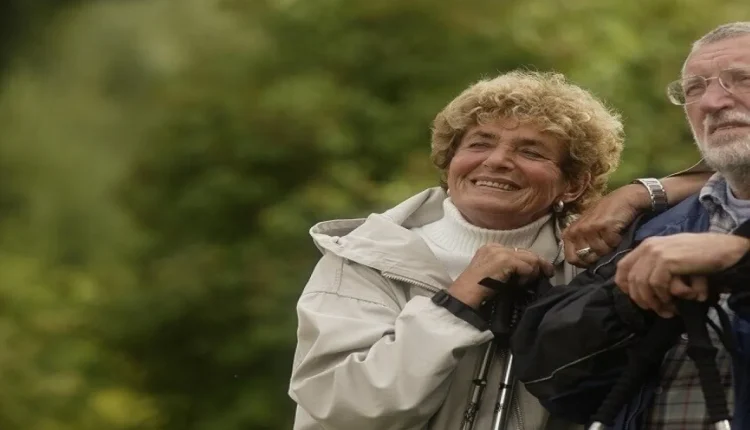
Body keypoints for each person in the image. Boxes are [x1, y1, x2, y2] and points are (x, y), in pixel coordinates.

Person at [287, 70, 708, 430]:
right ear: (450, 163)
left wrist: (641, 192)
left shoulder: (594, 265)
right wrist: (456, 303)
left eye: (531, 151)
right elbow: (344, 410)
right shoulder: (364, 258)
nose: (497, 160)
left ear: (574, 184)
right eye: (479, 144)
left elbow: (731, 181)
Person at [511, 22, 750, 430]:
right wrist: (631, 299)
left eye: (742, 79)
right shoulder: (656, 227)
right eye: (693, 88)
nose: (711, 102)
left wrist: (739, 260)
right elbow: (550, 377)